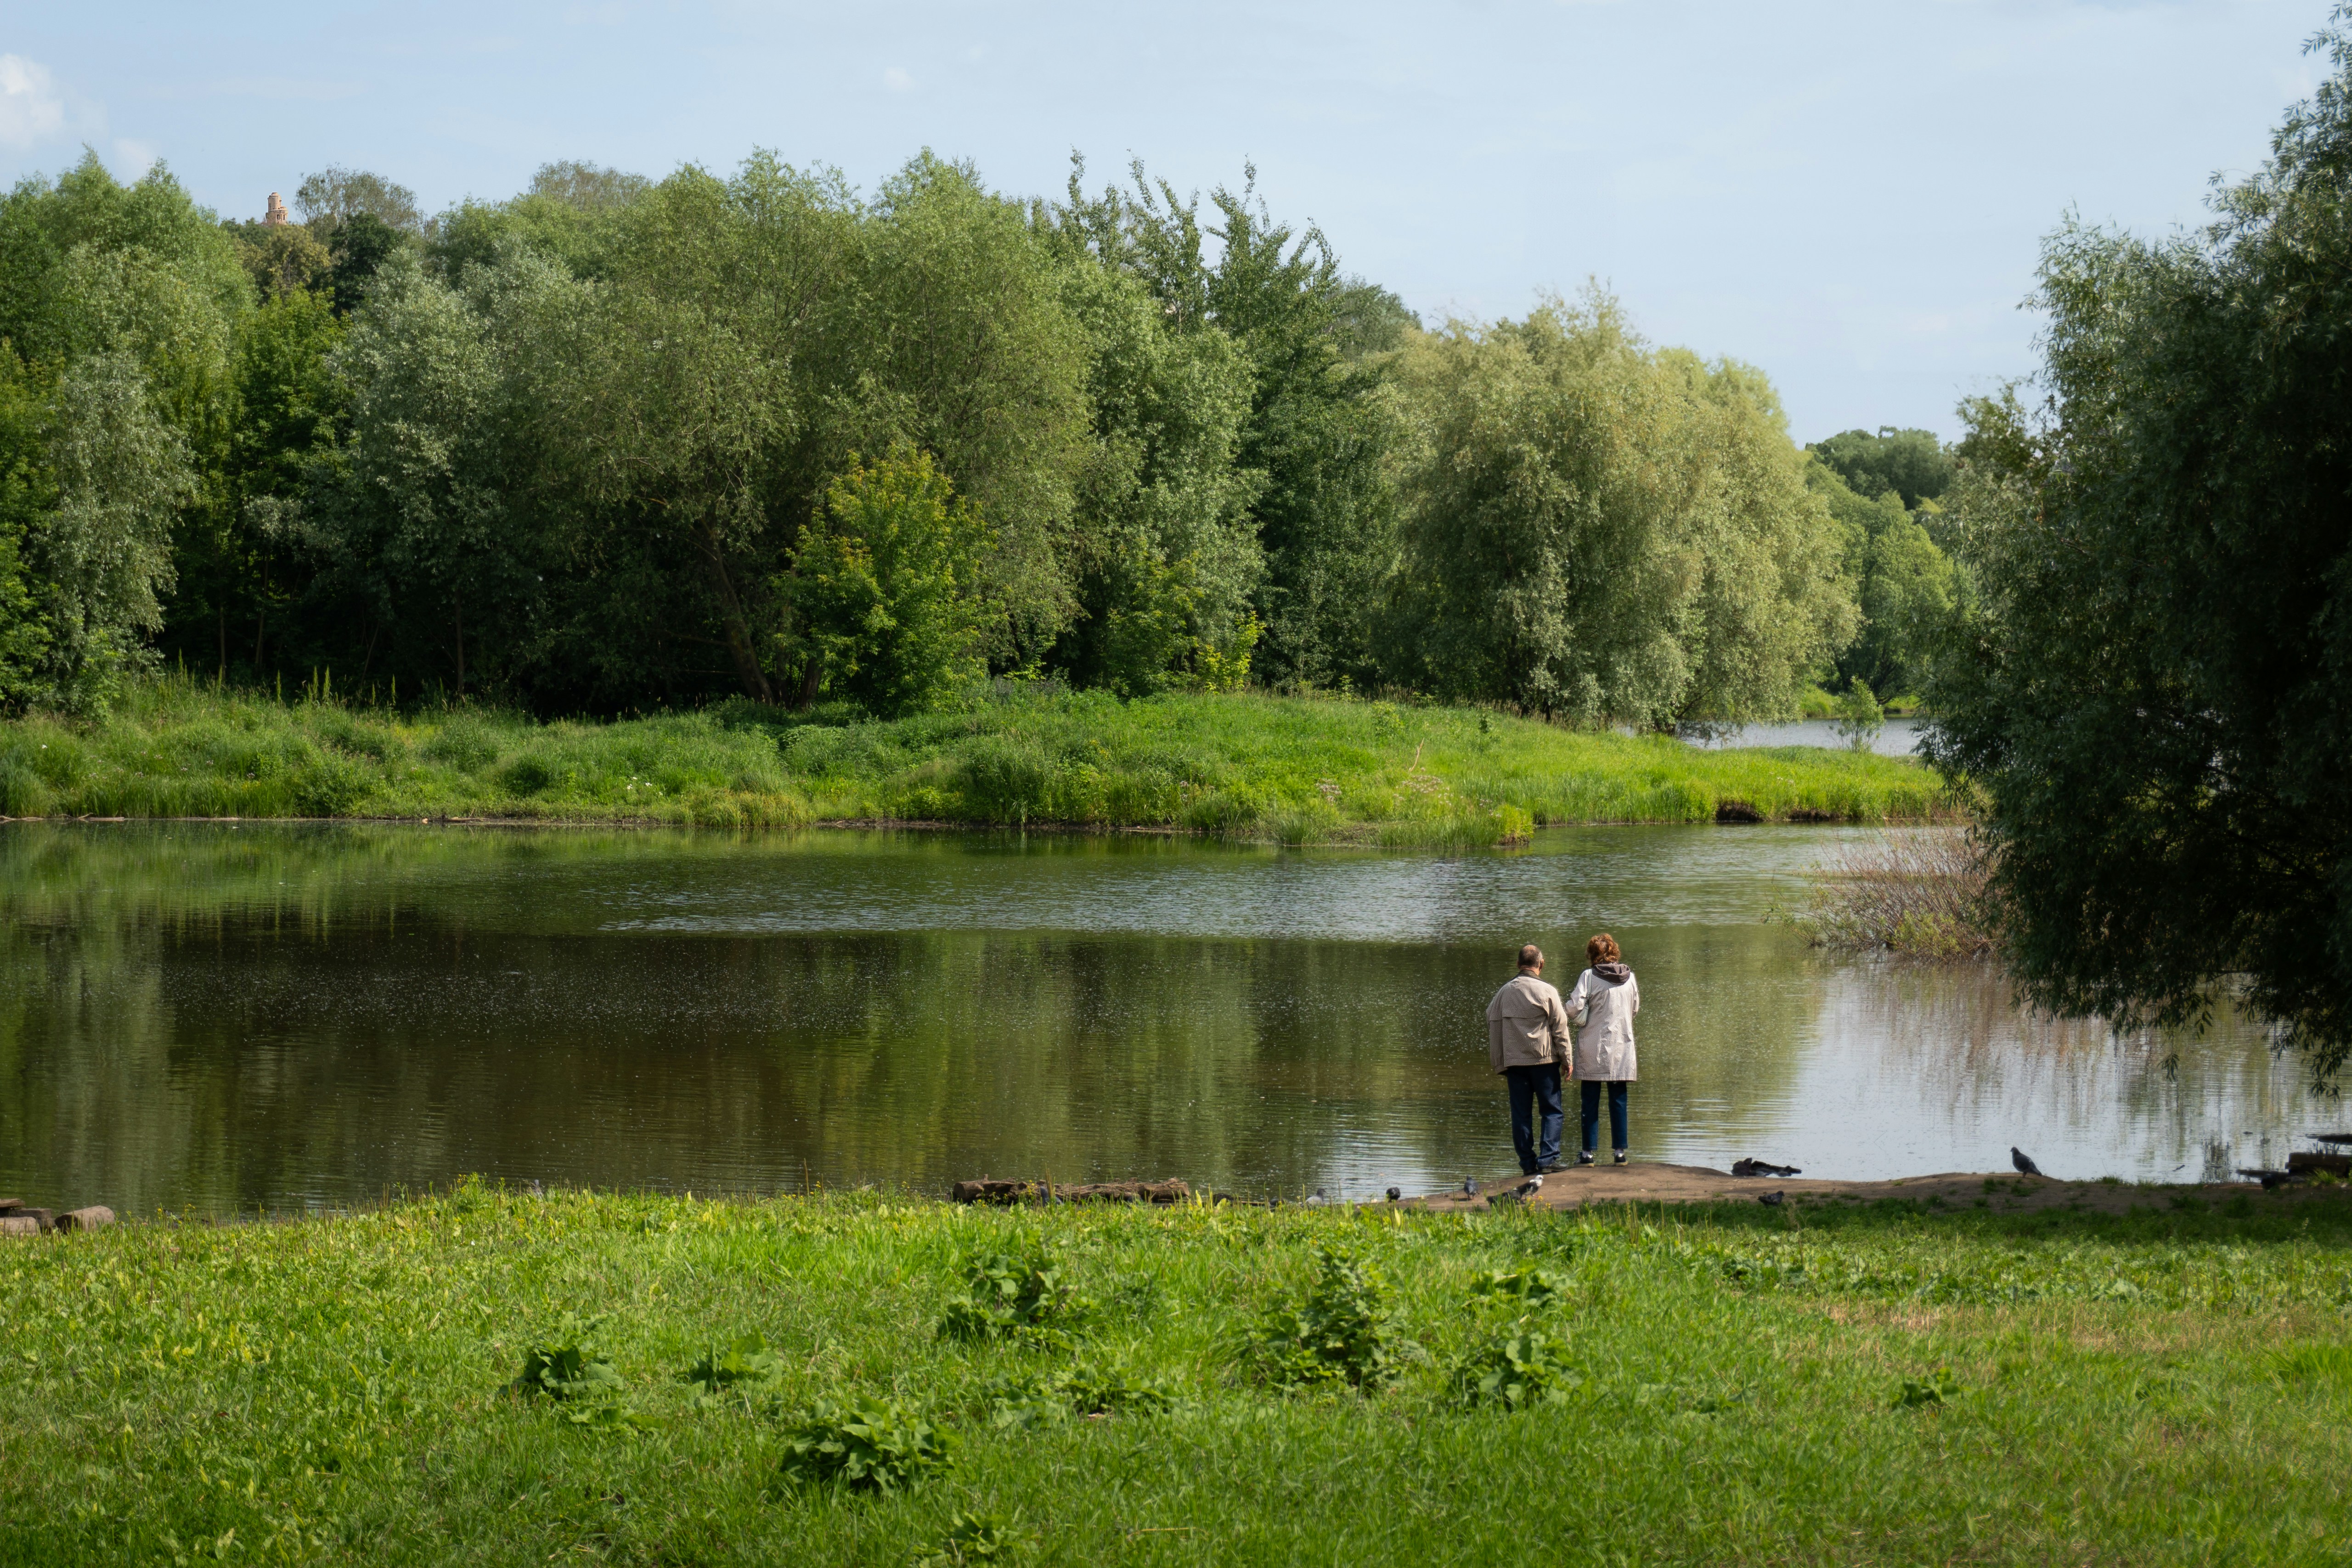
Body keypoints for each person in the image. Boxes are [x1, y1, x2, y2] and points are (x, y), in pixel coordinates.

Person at [1486, 943, 1573, 1177]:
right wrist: (1567, 1059)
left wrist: (1500, 1060)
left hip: (1515, 1065)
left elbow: (1491, 1017)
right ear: (1541, 964)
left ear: (1518, 964)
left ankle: (1527, 1163)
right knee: (1552, 1111)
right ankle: (1548, 1159)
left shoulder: (1504, 992)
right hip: (1545, 1062)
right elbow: (1560, 1028)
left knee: (1521, 1114)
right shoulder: (1547, 991)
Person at [1567, 933, 1639, 1165]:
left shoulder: (1589, 976)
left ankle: (1588, 1154)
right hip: (1622, 1046)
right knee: (1619, 1100)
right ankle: (1620, 1153)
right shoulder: (1630, 977)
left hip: (1594, 1047)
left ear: (1592, 954)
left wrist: (1564, 1011)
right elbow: (1634, 1008)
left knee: (1590, 1101)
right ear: (1614, 952)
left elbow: (1574, 1008)